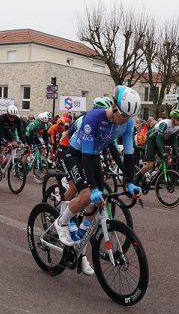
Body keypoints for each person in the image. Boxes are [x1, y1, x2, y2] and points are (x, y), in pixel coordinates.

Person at [54, 85, 141, 276]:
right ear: (114, 106)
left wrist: (130, 182)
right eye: (124, 115)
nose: (125, 120)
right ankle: (61, 222)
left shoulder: (127, 124)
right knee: (86, 193)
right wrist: (92, 188)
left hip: (93, 156)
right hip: (76, 154)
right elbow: (84, 156)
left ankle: (80, 249)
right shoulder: (93, 118)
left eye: (129, 117)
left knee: (99, 202)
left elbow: (128, 156)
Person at [136, 109, 179, 183]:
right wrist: (163, 153)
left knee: (168, 161)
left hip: (159, 142)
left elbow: (174, 142)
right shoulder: (165, 124)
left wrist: (177, 153)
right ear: (173, 119)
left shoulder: (177, 127)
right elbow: (158, 139)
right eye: (178, 119)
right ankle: (136, 179)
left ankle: (155, 179)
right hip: (151, 141)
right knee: (150, 165)